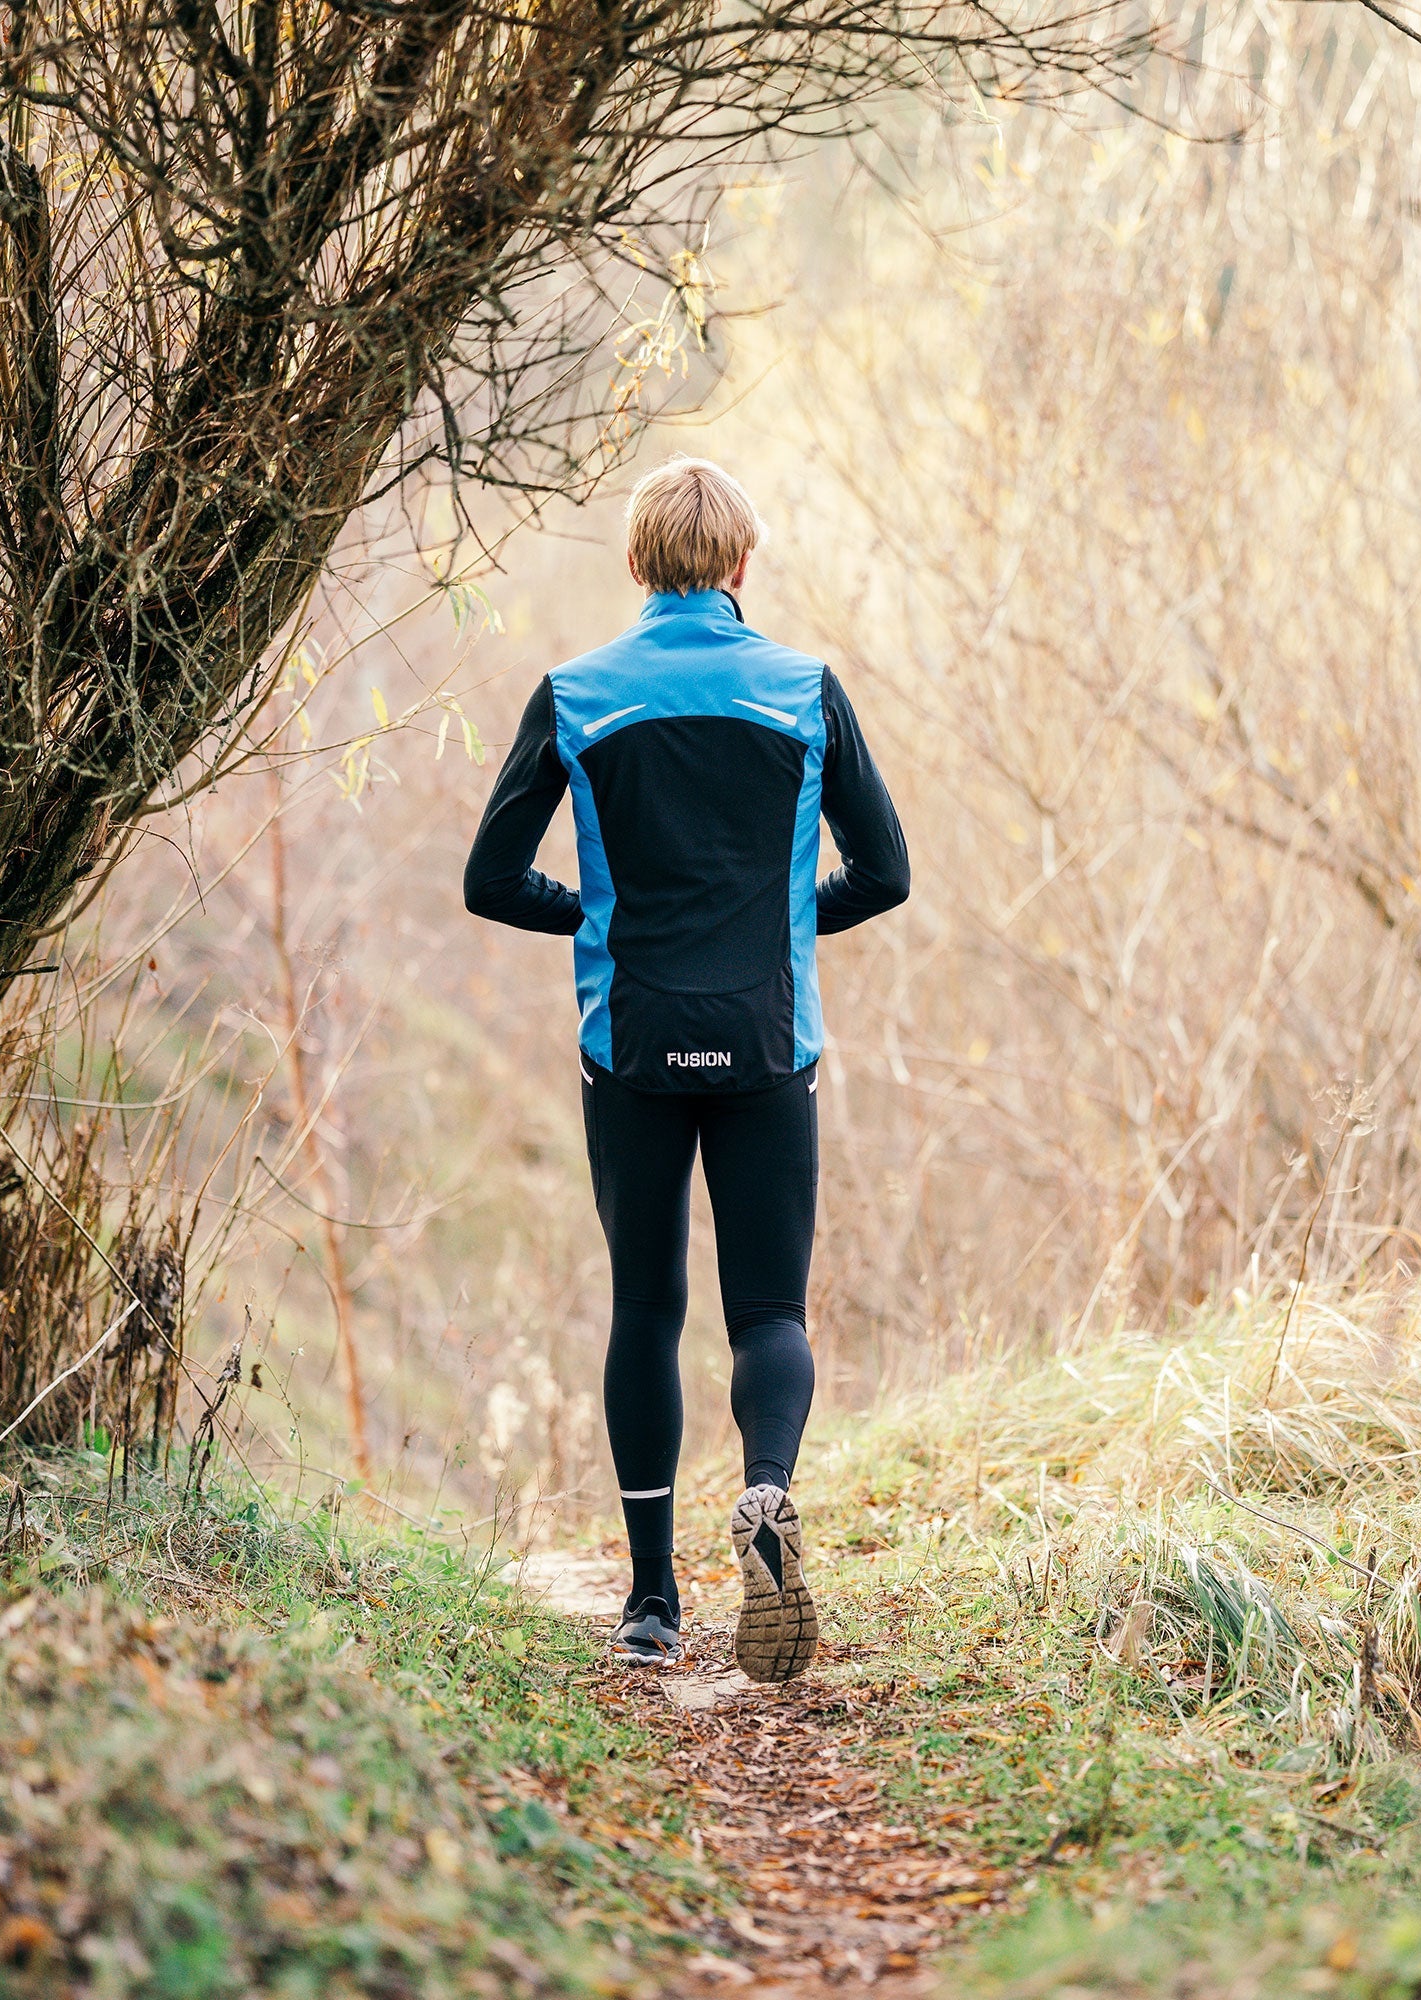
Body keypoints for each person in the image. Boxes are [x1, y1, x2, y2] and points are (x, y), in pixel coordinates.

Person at [463, 457, 909, 1681]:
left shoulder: (575, 693)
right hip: (770, 1044)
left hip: (632, 1047)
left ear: (636, 564)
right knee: (769, 1310)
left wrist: (602, 915)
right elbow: (886, 872)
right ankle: (767, 1493)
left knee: (646, 1308)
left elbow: (490, 880)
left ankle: (652, 1601)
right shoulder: (805, 690)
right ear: (743, 565)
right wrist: (777, 921)